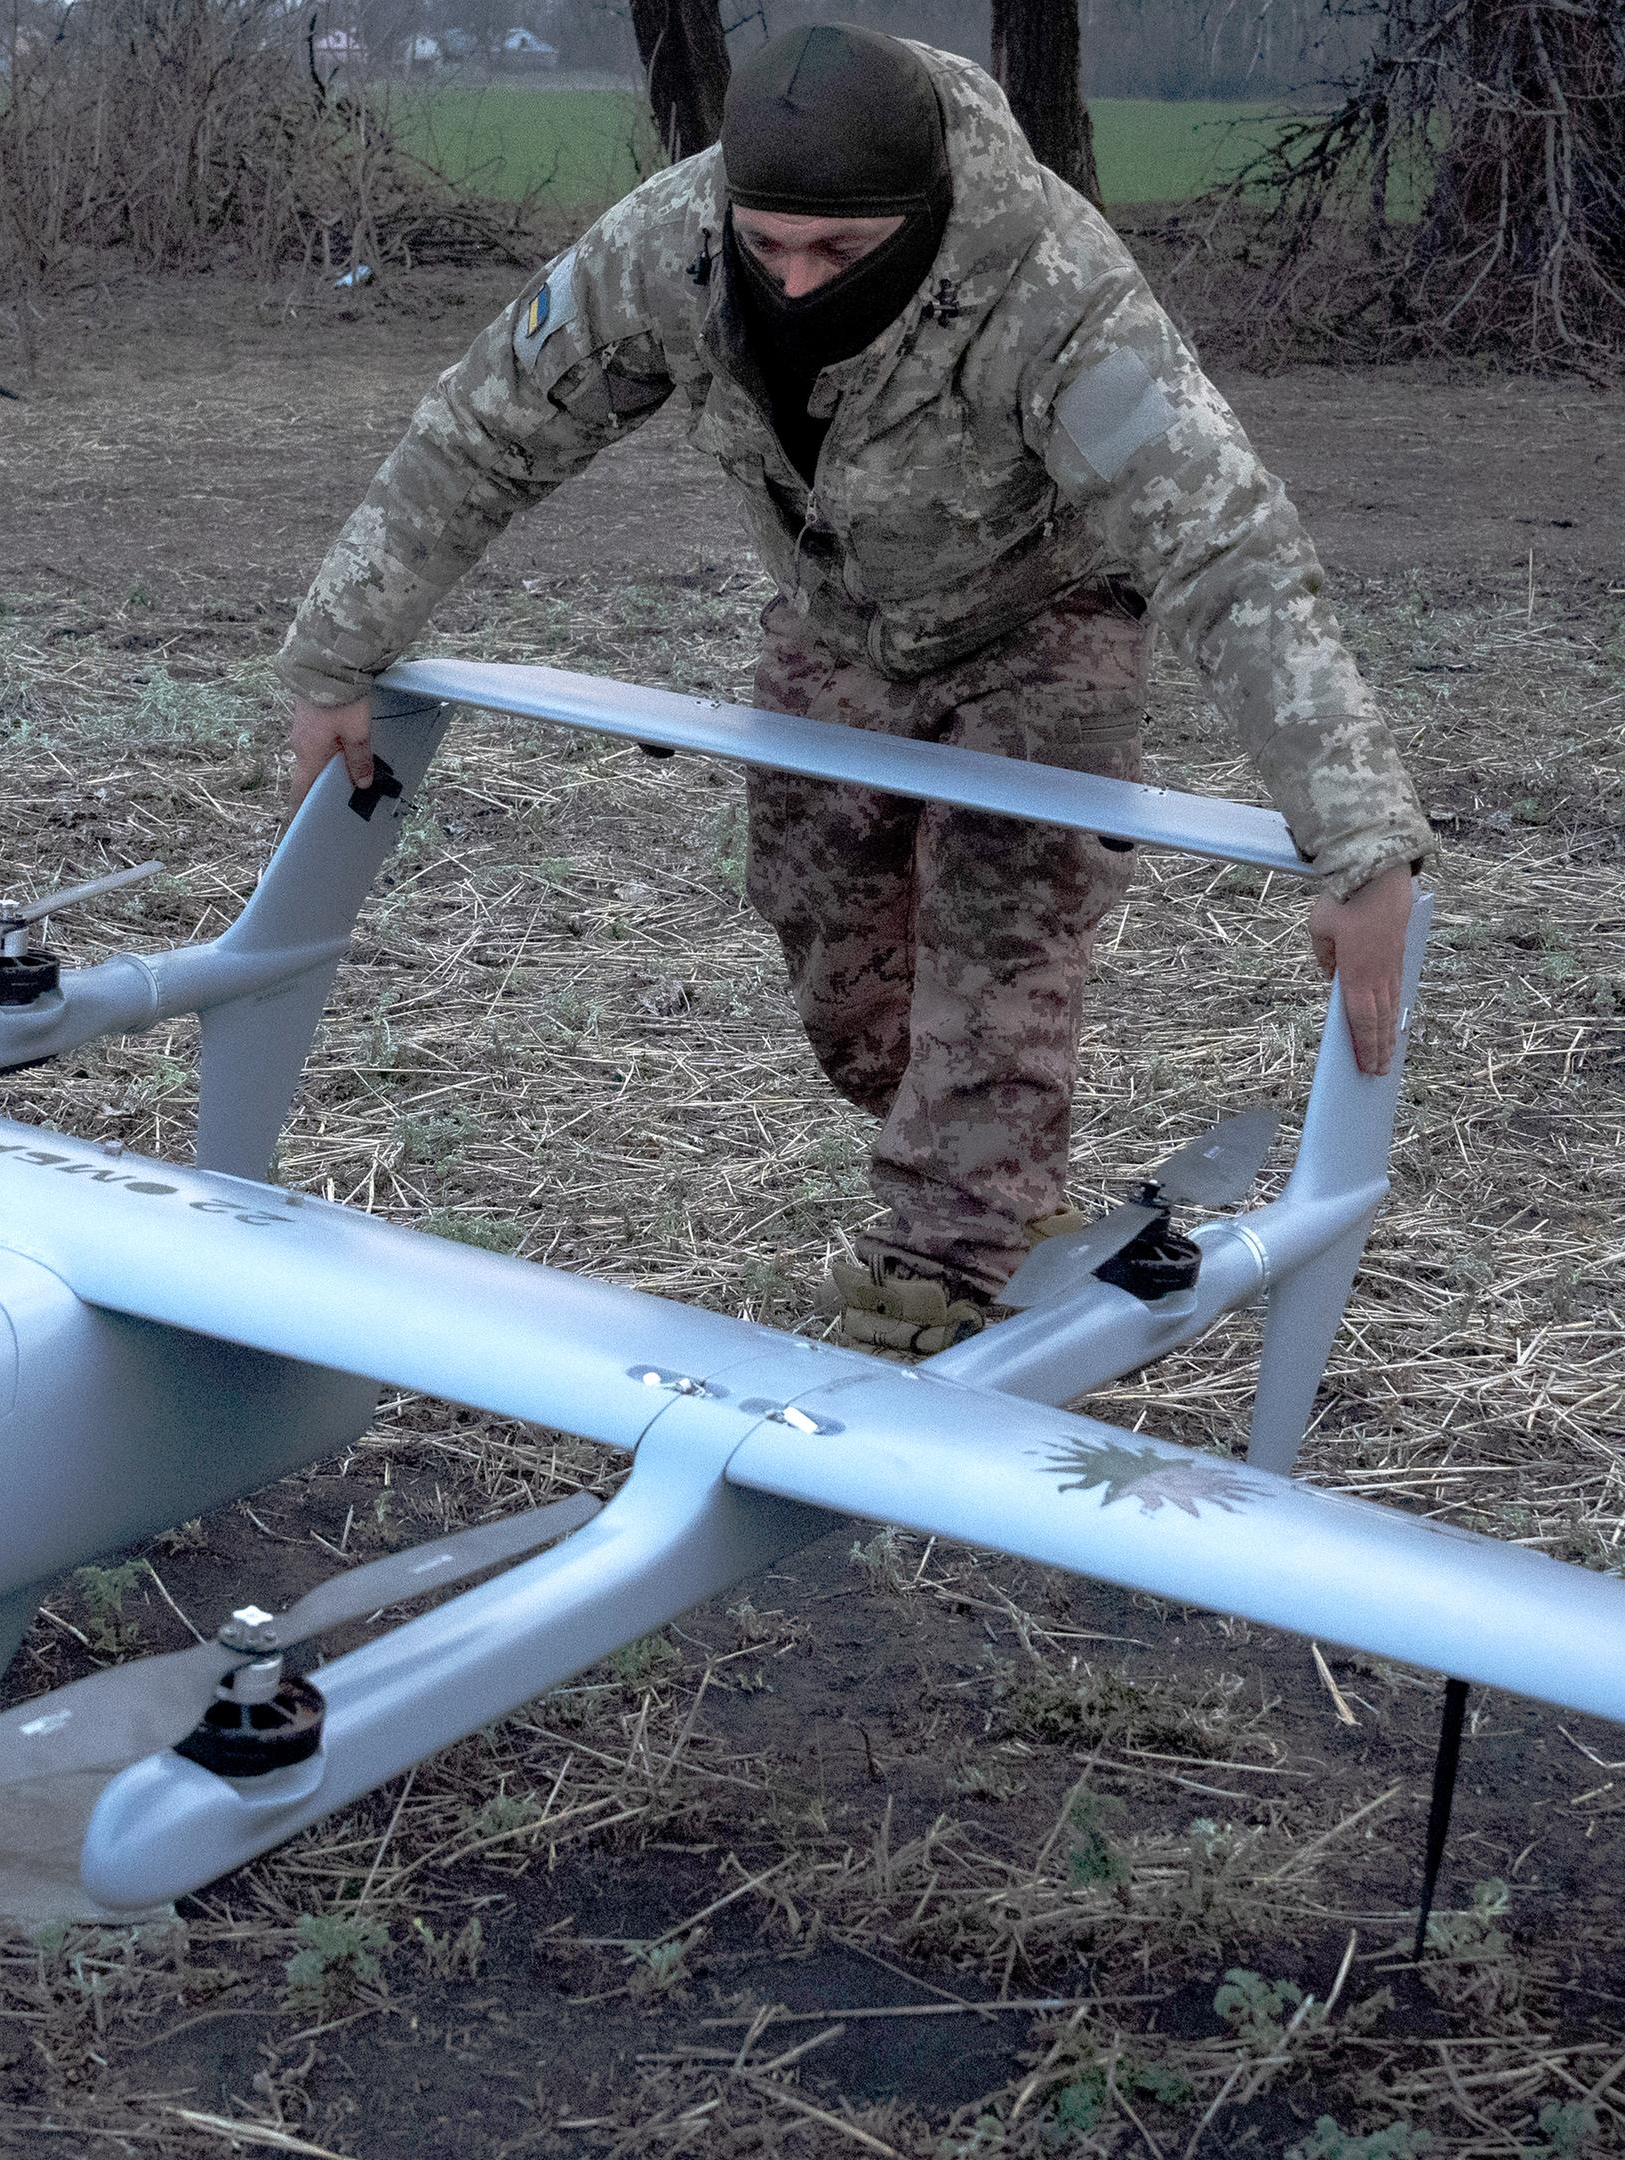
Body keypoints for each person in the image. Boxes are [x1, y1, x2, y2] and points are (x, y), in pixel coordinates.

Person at [270, 25, 1432, 1353]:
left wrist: (1355, 840)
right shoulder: (669, 247)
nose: (798, 279)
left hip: (1042, 627)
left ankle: (938, 1281)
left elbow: (1226, 550)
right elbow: (485, 427)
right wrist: (333, 658)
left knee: (998, 949)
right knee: (841, 972)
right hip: (835, 625)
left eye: (840, 252)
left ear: (924, 218)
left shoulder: (1049, 289)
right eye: (770, 247)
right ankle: (989, 1173)